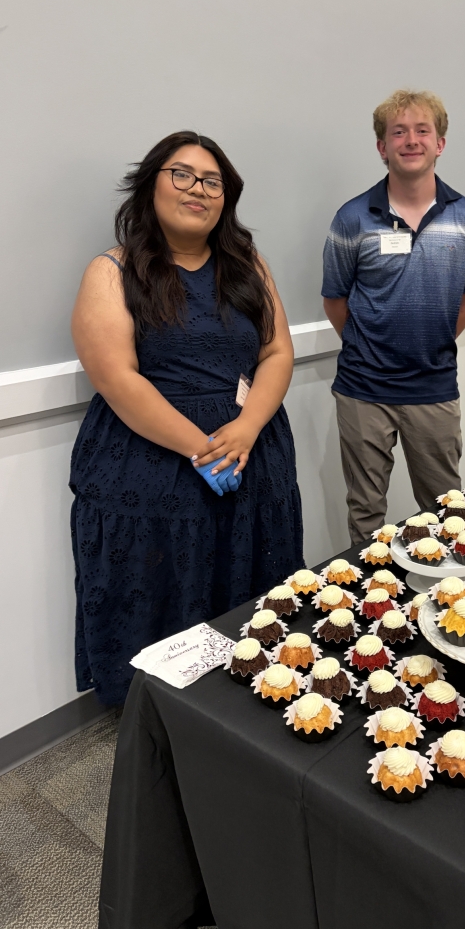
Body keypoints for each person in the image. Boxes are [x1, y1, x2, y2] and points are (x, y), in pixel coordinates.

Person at [70, 131, 304, 705]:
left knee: (249, 595)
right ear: (150, 185)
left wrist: (246, 429)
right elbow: (117, 378)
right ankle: (159, 717)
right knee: (157, 598)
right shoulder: (112, 271)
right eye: (182, 174)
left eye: (212, 181)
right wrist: (202, 448)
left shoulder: (248, 265)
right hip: (152, 468)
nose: (197, 189)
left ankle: (247, 704)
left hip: (251, 458)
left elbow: (277, 351)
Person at [321, 89, 465, 544]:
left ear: (440, 143)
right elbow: (335, 300)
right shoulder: (352, 218)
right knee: (365, 513)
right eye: (398, 132)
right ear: (382, 146)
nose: (411, 140)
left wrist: (430, 342)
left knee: (445, 511)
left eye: (422, 131)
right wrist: (373, 346)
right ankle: (369, 589)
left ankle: (444, 585)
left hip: (433, 387)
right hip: (363, 390)